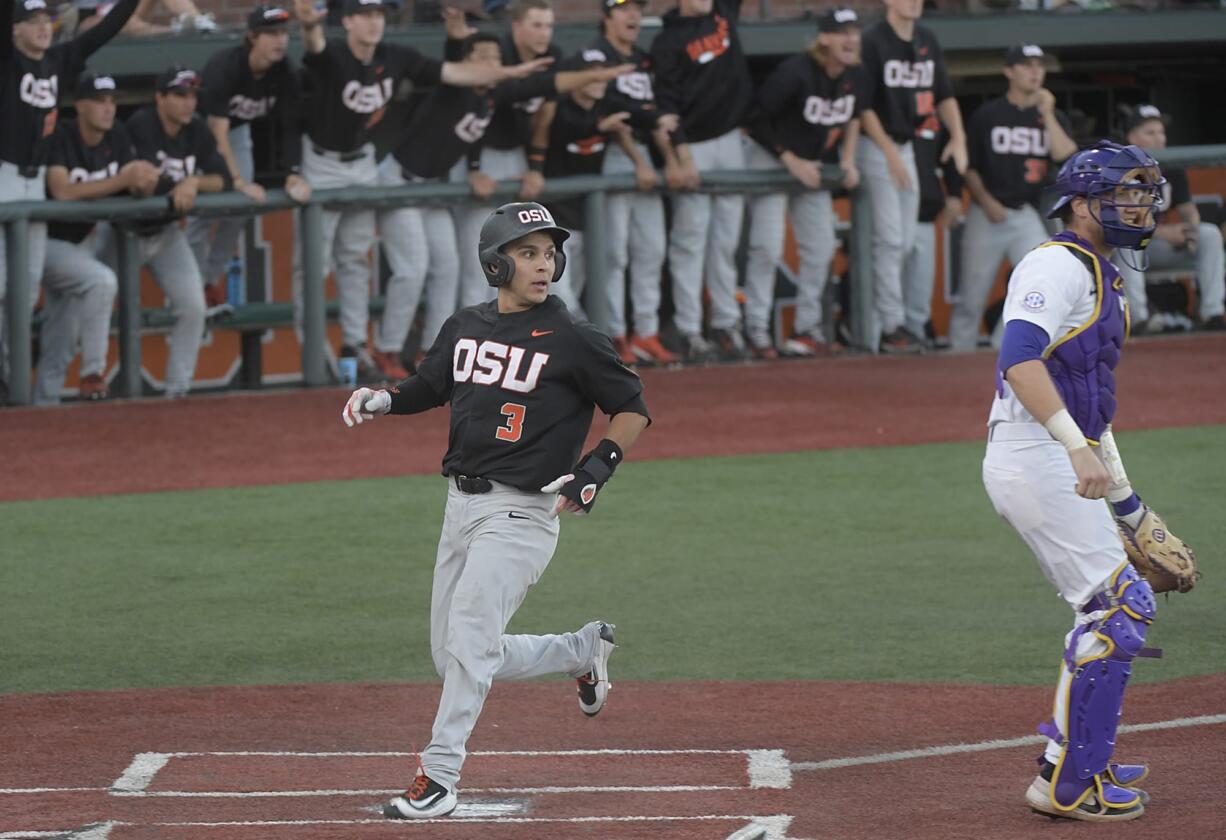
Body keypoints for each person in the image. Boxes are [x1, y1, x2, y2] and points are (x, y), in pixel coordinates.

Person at [341, 201, 650, 820]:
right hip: (460, 507)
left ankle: (439, 777)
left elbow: (633, 407)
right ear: (493, 263)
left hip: (523, 515)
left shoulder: (574, 339)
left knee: (470, 646)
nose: (544, 264)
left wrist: (596, 470)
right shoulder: (465, 327)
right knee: (454, 652)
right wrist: (383, 398)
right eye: (528, 252)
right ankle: (579, 653)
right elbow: (430, 387)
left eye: (548, 253)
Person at [981, 141, 1166, 823]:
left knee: (1111, 608)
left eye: (1146, 192)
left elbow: (1091, 404)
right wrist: (1074, 451)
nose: (1139, 204)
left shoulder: (1101, 272)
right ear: (1083, 202)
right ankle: (1070, 785)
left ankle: (1076, 760)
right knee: (1119, 608)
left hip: (1056, 453)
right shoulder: (1054, 264)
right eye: (1126, 191)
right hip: (1033, 455)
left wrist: (1130, 504)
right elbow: (1019, 361)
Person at [291, 0, 550, 383]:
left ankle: (387, 347)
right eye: (365, 14)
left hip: (374, 168)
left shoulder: (400, 57)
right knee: (323, 265)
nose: (374, 22)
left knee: (375, 261)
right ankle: (339, 351)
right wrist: (310, 26)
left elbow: (455, 81)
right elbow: (317, 50)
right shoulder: (339, 55)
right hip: (339, 166)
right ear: (346, 21)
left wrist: (512, 72)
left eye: (379, 14)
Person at [378, 25, 629, 370]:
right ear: (466, 63)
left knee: (448, 268)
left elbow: (547, 84)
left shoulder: (493, 95)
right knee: (413, 268)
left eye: (496, 57)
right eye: (481, 58)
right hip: (399, 181)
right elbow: (455, 66)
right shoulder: (453, 87)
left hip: (433, 186)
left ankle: (433, 353)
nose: (490, 64)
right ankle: (386, 350)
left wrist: (596, 75)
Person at [2, 0, 138, 396]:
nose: (44, 27)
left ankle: (13, 382)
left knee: (24, 294)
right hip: (3, 175)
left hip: (35, 182)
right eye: (32, 21)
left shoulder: (59, 60)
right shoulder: (8, 60)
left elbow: (105, 29)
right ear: (14, 30)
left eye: (47, 19)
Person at [101, 65, 231, 398]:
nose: (188, 103)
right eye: (179, 95)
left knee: (193, 307)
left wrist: (192, 181)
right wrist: (178, 184)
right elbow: (144, 183)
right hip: (121, 233)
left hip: (166, 234)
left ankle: (178, 390)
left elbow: (222, 179)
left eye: (191, 96)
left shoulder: (197, 129)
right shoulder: (141, 125)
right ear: (160, 98)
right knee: (85, 306)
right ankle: (50, 397)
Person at [744, 7, 862, 360]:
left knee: (821, 247)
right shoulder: (795, 72)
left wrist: (847, 159)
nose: (852, 39)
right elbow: (754, 118)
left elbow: (855, 114)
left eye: (855, 32)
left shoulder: (856, 74)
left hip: (809, 164)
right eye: (843, 32)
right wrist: (789, 160)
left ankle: (806, 330)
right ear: (824, 38)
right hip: (772, 157)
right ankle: (757, 330)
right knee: (767, 247)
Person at [35, 73, 159, 404]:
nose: (108, 109)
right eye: (100, 101)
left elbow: (139, 182)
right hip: (43, 243)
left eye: (112, 102)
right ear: (80, 106)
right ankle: (93, 372)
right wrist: (122, 178)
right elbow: (62, 191)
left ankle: (43, 406)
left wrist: (145, 179)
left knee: (62, 338)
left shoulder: (115, 134)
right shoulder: (62, 134)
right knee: (102, 282)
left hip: (83, 243)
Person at [947, 43, 1076, 352]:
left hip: (1026, 213)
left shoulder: (1050, 115)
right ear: (1009, 72)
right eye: (1026, 65)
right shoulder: (988, 114)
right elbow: (968, 165)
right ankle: (957, 354)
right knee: (972, 294)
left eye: (1039, 65)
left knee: (1038, 284)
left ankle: (1002, 350)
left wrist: (1046, 112)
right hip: (987, 211)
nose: (1035, 72)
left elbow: (1066, 155)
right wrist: (985, 200)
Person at [857, 0, 966, 353]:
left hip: (906, 144)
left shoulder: (926, 38)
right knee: (889, 240)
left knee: (902, 242)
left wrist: (959, 138)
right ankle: (889, 325)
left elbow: (944, 94)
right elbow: (863, 103)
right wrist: (888, 151)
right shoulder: (873, 39)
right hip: (874, 143)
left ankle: (886, 323)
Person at [188, 4, 309, 318]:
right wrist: (238, 181)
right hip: (199, 132)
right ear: (252, 37)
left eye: (283, 33)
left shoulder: (284, 72)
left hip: (238, 133)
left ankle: (207, 281)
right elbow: (216, 130)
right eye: (271, 34)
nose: (280, 40)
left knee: (240, 209)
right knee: (204, 212)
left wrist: (292, 172)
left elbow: (290, 125)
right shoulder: (225, 65)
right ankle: (190, 286)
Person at [650, 0, 754, 362]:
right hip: (693, 143)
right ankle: (690, 328)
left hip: (731, 138)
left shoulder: (723, 11)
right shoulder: (666, 41)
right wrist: (682, 155)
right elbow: (666, 104)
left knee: (726, 242)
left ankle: (726, 323)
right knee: (690, 243)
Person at [452, 0, 563, 311]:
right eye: (537, 25)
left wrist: (535, 167)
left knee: (522, 250)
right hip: (477, 153)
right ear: (517, 27)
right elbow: (472, 112)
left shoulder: (554, 56)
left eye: (549, 26)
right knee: (479, 257)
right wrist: (473, 167)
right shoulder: (499, 53)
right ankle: (469, 342)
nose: (544, 34)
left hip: (514, 154)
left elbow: (545, 116)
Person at [591, 0, 678, 366]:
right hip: (613, 155)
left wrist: (670, 159)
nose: (632, 16)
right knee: (614, 254)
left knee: (652, 250)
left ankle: (647, 331)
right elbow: (616, 112)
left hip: (645, 158)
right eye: (623, 9)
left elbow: (657, 115)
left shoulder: (644, 59)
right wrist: (650, 129)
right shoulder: (597, 56)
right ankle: (614, 334)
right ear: (607, 17)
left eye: (637, 10)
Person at [538, 52, 648, 319]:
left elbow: (628, 127)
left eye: (602, 73)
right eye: (591, 74)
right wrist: (600, 126)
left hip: (585, 215)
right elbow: (569, 129)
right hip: (554, 216)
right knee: (558, 294)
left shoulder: (605, 107)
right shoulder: (560, 108)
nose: (598, 80)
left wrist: (640, 162)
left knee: (574, 286)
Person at [1117, 103, 1225, 332]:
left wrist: (1191, 232)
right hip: (1133, 248)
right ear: (1132, 137)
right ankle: (1139, 319)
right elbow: (1118, 219)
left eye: (1161, 132)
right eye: (1150, 133)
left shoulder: (1170, 165)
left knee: (1209, 233)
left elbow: (1188, 209)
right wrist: (1164, 232)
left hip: (1164, 245)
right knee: (1128, 239)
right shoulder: (1118, 168)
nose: (1159, 139)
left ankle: (1211, 313)